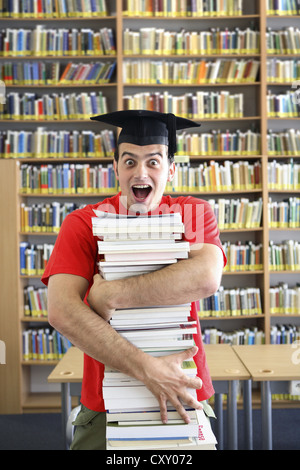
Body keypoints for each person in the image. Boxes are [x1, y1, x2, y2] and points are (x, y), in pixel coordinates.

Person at [42, 110, 226, 450]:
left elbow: (206, 276)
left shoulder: (194, 213)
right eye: (129, 161)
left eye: (153, 162)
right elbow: (62, 311)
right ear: (115, 168)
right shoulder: (82, 224)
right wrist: (149, 370)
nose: (141, 172)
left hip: (184, 388)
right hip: (105, 403)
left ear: (171, 169)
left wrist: (110, 294)